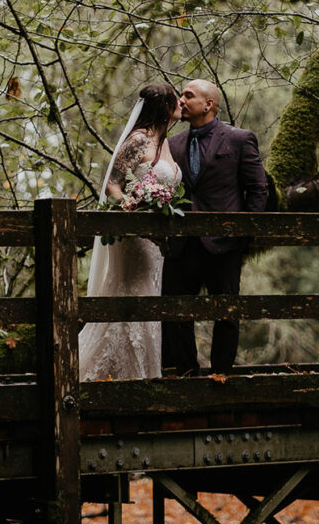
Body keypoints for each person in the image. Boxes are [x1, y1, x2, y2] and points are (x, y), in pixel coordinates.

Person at [162, 79, 268, 375]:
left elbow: (258, 189)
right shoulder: (172, 144)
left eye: (188, 95)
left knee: (227, 312)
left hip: (224, 243)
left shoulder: (239, 139)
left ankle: (221, 373)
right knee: (175, 310)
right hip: (183, 244)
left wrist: (243, 236)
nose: (180, 100)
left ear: (208, 104)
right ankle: (186, 373)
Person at [79, 83, 182, 381]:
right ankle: (111, 372)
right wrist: (131, 205)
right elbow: (113, 183)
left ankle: (143, 373)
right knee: (131, 291)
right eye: (175, 99)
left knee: (149, 293)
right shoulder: (139, 139)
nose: (180, 104)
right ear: (164, 106)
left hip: (155, 240)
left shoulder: (164, 141)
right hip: (134, 235)